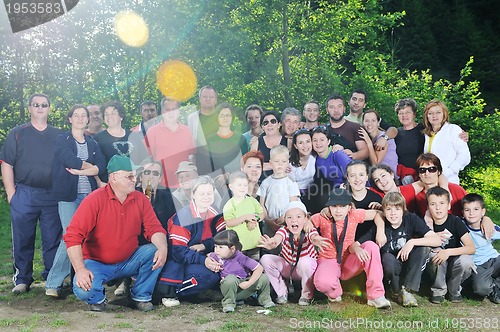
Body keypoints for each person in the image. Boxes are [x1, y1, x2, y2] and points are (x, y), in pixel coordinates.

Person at [64, 155, 168, 312]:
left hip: (129, 259)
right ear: (113, 177)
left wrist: (163, 247)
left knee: (155, 250)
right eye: (129, 176)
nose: (134, 179)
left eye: (134, 175)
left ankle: (140, 296)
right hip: (96, 262)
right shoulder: (94, 200)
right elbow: (72, 236)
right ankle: (98, 298)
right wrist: (80, 270)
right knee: (84, 290)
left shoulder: (140, 199)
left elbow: (154, 228)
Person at [0, 93, 62, 294]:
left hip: (52, 194)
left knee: (52, 239)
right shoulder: (17, 133)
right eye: (36, 104)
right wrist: (11, 194)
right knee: (22, 238)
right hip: (24, 193)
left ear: (49, 108)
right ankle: (23, 279)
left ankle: (52, 279)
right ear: (29, 108)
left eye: (44, 104)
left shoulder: (58, 135)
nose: (40, 108)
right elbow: (7, 164)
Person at [45, 105, 106, 298]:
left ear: (88, 119)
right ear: (70, 118)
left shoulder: (92, 142)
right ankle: (53, 283)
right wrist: (90, 167)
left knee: (87, 237)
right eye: (76, 115)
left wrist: (81, 171)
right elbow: (67, 159)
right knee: (70, 236)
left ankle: (84, 280)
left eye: (83, 116)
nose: (80, 118)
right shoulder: (62, 139)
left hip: (90, 197)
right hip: (68, 196)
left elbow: (102, 166)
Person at [311, 188, 391, 309]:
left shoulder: (353, 214)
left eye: (342, 206)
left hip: (349, 260)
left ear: (349, 207)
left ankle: (376, 296)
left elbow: (377, 213)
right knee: (322, 283)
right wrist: (314, 237)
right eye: (334, 206)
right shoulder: (322, 217)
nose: (338, 211)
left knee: (371, 246)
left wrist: (380, 231)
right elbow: (307, 223)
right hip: (329, 260)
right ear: (329, 207)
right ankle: (335, 292)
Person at [357, 192, 441, 307]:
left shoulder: (411, 219)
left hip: (408, 264)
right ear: (383, 212)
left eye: (397, 209)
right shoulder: (379, 226)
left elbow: (436, 240)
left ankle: (407, 291)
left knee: (423, 248)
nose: (393, 213)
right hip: (391, 268)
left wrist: (412, 242)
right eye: (389, 209)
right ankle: (395, 290)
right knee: (386, 257)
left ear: (403, 210)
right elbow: (357, 244)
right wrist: (357, 249)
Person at [158, 176, 225, 307]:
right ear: (193, 195)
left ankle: (200, 290)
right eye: (201, 193)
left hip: (205, 255)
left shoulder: (216, 212)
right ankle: (172, 291)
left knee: (222, 269)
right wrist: (203, 260)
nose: (206, 197)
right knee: (211, 276)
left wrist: (205, 245)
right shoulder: (183, 217)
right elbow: (178, 251)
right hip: (180, 260)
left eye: (209, 193)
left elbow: (222, 238)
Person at [259, 201, 327, 306]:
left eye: (298, 217)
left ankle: (306, 295)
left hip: (305, 269)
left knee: (305, 261)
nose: (294, 220)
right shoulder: (284, 230)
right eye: (289, 217)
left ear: (305, 219)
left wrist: (316, 239)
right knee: (265, 259)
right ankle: (281, 292)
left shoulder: (309, 229)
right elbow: (277, 238)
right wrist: (272, 243)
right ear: (285, 220)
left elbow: (313, 236)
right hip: (289, 268)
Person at [425, 186, 475, 304]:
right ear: (428, 207)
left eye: (442, 203)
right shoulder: (425, 223)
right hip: (436, 267)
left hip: (454, 264)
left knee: (466, 261)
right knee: (435, 255)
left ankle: (454, 290)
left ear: (448, 205)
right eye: (433, 204)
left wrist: (447, 252)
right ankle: (438, 291)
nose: (438, 208)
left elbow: (471, 248)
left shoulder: (455, 221)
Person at [209, 230, 275, 313]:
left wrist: (249, 283)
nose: (217, 250)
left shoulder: (241, 257)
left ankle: (265, 300)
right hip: (229, 289)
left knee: (264, 278)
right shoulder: (216, 255)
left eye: (221, 247)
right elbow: (208, 256)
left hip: (244, 285)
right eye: (215, 246)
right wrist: (210, 262)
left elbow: (259, 268)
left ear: (232, 249)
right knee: (230, 279)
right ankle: (229, 303)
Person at [146, 97, 196, 187]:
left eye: (174, 109)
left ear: (179, 111)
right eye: (167, 109)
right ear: (162, 112)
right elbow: (146, 160)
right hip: (161, 184)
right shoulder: (152, 132)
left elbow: (191, 157)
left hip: (184, 185)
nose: (171, 112)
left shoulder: (187, 131)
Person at [461, 194, 500, 304]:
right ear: (463, 212)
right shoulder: (460, 225)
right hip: (478, 265)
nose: (471, 213)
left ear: (483, 212)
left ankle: (497, 287)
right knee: (481, 290)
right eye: (467, 210)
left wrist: (486, 219)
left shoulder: (489, 227)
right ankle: (490, 287)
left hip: (494, 260)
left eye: (476, 209)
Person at [422, 99, 470, 184]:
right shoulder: (427, 134)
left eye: (438, 112)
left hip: (449, 181)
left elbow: (465, 157)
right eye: (430, 113)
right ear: (427, 116)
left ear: (444, 114)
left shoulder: (453, 129)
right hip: (431, 182)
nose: (434, 116)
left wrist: (448, 172)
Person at [257, 145, 300, 240]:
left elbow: (293, 204)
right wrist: (268, 220)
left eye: (283, 161)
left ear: (288, 163)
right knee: (270, 246)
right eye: (276, 161)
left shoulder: (291, 182)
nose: (280, 164)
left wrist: (282, 219)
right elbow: (261, 205)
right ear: (271, 163)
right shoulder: (266, 182)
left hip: (286, 223)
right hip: (269, 223)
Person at [308, 125, 351, 213]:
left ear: (329, 141)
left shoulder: (337, 154)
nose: (318, 143)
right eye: (315, 140)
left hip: (350, 188)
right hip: (335, 190)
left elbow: (354, 174)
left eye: (322, 140)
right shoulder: (317, 159)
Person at [198, 103, 249, 175]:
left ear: (232, 117)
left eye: (228, 115)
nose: (225, 118)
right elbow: (206, 165)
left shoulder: (241, 138)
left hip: (237, 180)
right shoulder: (209, 139)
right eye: (222, 115)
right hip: (216, 180)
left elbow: (246, 161)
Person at [223, 171, 264, 260]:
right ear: (231, 186)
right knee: (240, 268)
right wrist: (245, 218)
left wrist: (254, 219)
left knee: (255, 265)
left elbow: (261, 213)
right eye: (239, 185)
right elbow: (229, 222)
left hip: (254, 243)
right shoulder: (230, 204)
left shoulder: (252, 200)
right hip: (239, 246)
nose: (242, 188)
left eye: (245, 185)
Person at [413, 153, 467, 218]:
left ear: (438, 171)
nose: (427, 173)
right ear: (418, 174)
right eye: (422, 170)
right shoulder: (417, 197)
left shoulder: (455, 189)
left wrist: (483, 218)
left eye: (432, 169)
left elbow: (474, 207)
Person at [93, 101, 132, 182]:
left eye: (113, 113)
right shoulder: (98, 138)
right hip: (107, 185)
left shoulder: (134, 136)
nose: (109, 117)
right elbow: (93, 164)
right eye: (106, 114)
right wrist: (99, 183)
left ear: (121, 116)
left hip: (132, 184)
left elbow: (144, 162)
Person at [344, 160, 383, 239]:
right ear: (348, 178)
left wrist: (381, 209)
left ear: (366, 177)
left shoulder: (377, 198)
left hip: (372, 242)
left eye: (361, 175)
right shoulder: (342, 199)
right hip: (348, 241)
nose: (357, 179)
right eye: (352, 176)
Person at [324, 93, 369, 160]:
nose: (336, 110)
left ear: (344, 108)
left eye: (339, 106)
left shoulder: (355, 127)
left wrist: (353, 155)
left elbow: (365, 152)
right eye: (332, 107)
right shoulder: (323, 130)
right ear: (327, 110)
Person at [393, 98, 425, 184]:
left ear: (414, 114)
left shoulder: (424, 129)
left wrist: (462, 135)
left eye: (407, 112)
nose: (404, 116)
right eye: (401, 113)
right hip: (403, 178)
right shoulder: (396, 133)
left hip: (423, 175)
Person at [359, 110, 398, 177]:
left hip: (388, 175)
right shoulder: (370, 138)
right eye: (367, 121)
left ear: (378, 122)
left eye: (373, 120)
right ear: (363, 123)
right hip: (378, 173)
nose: (369, 123)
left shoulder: (383, 138)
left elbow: (375, 163)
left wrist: (369, 142)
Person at [250, 111, 288, 178]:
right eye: (265, 123)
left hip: (283, 183)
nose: (269, 125)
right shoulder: (256, 143)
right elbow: (251, 165)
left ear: (279, 124)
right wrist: (274, 166)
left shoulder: (288, 142)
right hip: (261, 183)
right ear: (262, 127)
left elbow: (292, 164)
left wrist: (264, 166)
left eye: (273, 121)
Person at [289, 128, 316, 210]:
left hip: (315, 194)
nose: (305, 146)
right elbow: (290, 187)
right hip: (296, 196)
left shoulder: (315, 158)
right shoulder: (290, 164)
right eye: (300, 143)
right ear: (295, 146)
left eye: (308, 141)